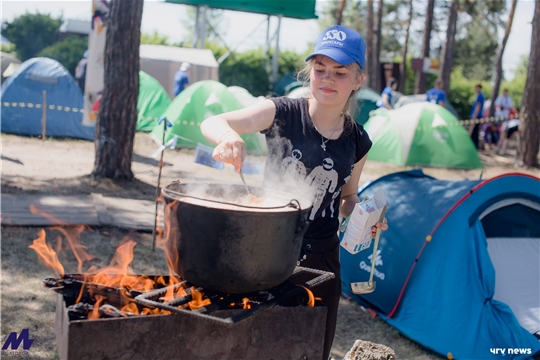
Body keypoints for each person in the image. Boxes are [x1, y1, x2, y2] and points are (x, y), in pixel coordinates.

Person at [200, 25, 388, 360]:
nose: (327, 79)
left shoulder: (358, 139)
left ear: (359, 79)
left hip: (322, 263)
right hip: (267, 252)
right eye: (320, 69)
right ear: (309, 72)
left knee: (311, 350)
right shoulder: (282, 112)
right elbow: (214, 121)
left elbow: (347, 196)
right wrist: (228, 137)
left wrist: (365, 215)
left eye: (340, 72)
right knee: (254, 347)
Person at [468, 84, 485, 149]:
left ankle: (473, 145)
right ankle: (474, 145)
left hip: (476, 116)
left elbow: (478, 106)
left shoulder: (480, 96)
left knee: (474, 131)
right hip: (476, 116)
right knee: (475, 131)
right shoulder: (479, 96)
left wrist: (474, 116)